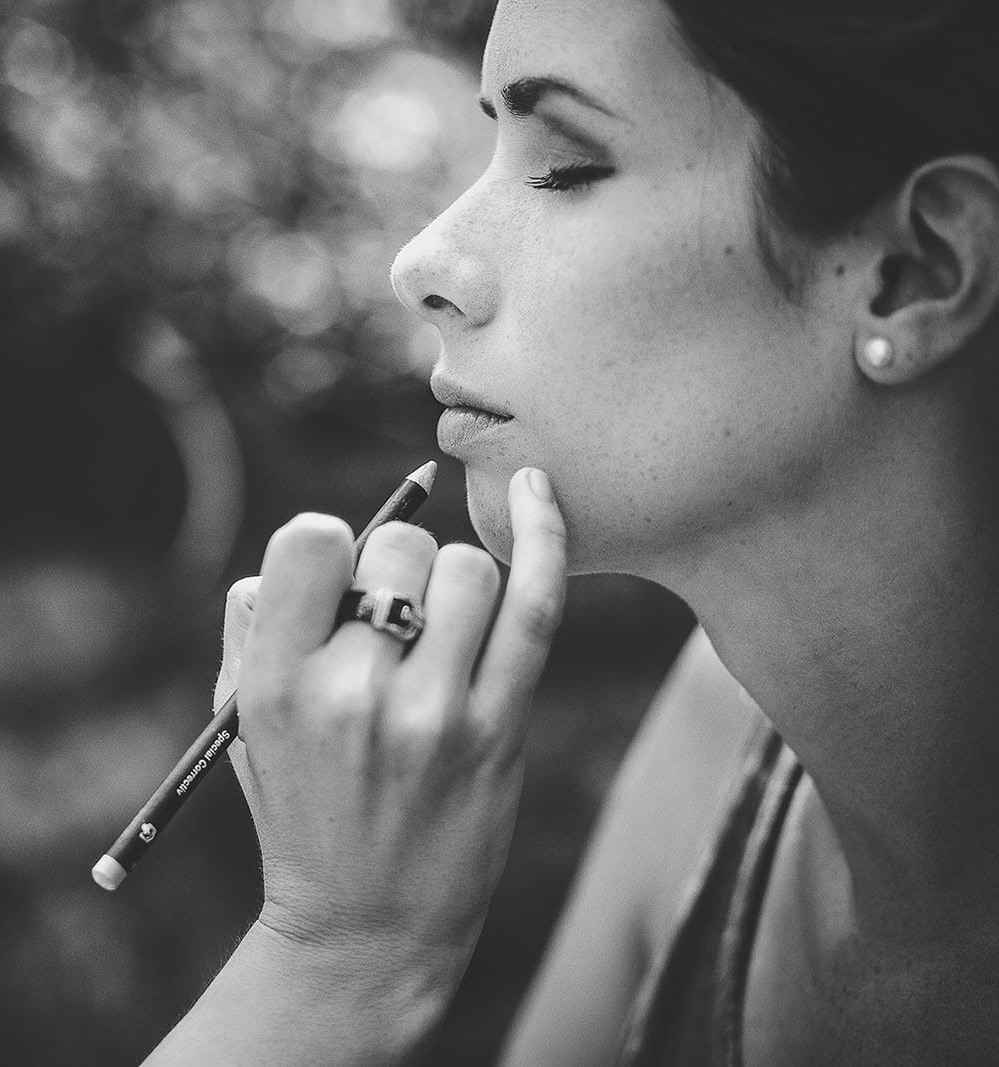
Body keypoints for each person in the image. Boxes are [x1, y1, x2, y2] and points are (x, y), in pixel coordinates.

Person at [144, 0, 999, 1062]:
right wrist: (341, 944)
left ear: (914, 270)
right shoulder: (724, 732)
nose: (423, 261)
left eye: (563, 167)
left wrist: (328, 963)